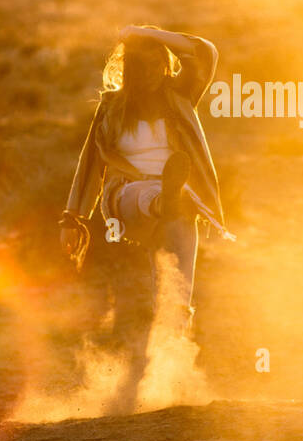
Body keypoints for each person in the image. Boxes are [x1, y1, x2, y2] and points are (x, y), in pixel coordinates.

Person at [59, 25, 232, 408]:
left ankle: (170, 363)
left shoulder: (180, 96)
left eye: (161, 63)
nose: (155, 72)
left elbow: (206, 53)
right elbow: (90, 163)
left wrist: (146, 32)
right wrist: (73, 218)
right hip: (126, 197)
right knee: (153, 195)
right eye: (146, 65)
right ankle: (162, 200)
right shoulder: (111, 106)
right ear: (132, 69)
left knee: (179, 280)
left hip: (180, 200)